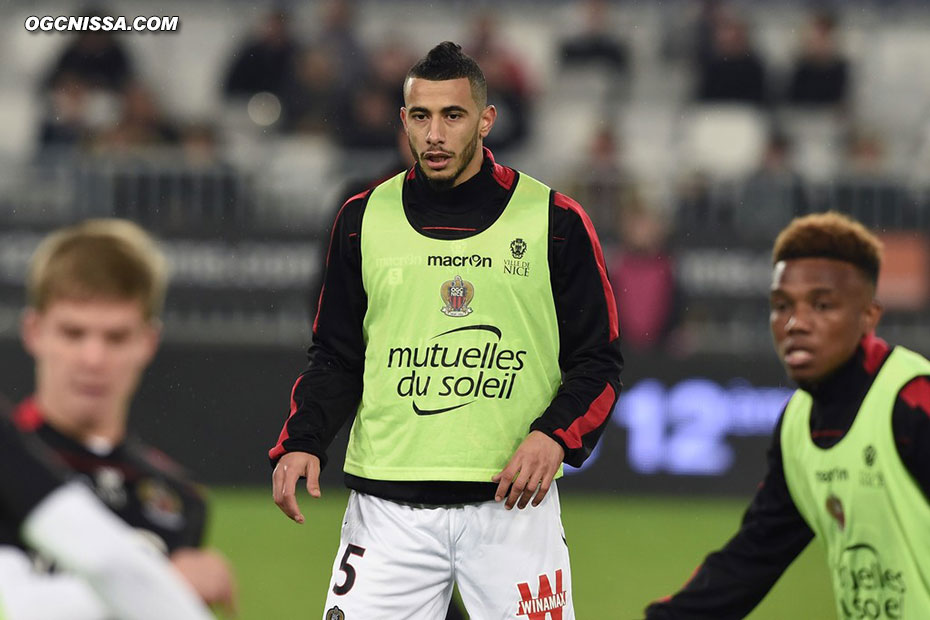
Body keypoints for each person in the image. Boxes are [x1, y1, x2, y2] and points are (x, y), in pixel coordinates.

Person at [270, 41, 622, 618]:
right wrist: (303, 440)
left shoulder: (555, 221)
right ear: (402, 120)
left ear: (486, 119)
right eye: (421, 116)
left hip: (513, 513)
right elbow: (335, 356)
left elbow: (599, 362)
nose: (435, 133)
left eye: (452, 115)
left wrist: (554, 436)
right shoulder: (361, 219)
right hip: (387, 512)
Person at [645, 211, 930, 618]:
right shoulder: (798, 423)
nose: (796, 323)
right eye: (782, 306)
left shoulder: (913, 400)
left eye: (823, 304)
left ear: (868, 316)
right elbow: (751, 560)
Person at [0, 219, 237, 618]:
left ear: (147, 342)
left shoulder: (178, 497)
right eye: (73, 333)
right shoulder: (9, 461)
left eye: (116, 337)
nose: (93, 359)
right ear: (34, 331)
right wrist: (160, 580)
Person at [0, 415, 213, 620]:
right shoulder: (14, 452)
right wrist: (167, 583)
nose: (95, 374)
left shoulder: (181, 494)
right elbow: (14, 610)